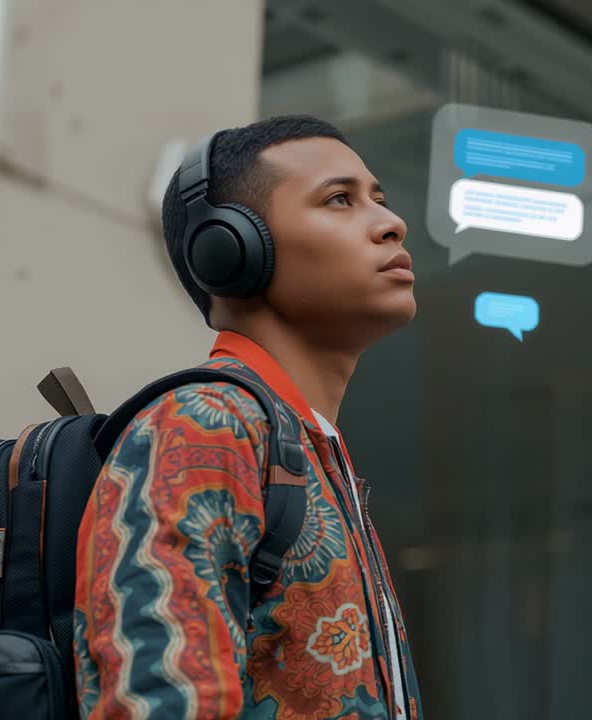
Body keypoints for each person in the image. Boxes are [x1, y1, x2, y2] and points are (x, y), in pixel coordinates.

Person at [74, 115, 423, 719]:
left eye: (380, 200)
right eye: (339, 199)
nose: (392, 224)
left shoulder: (307, 446)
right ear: (230, 249)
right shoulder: (203, 424)